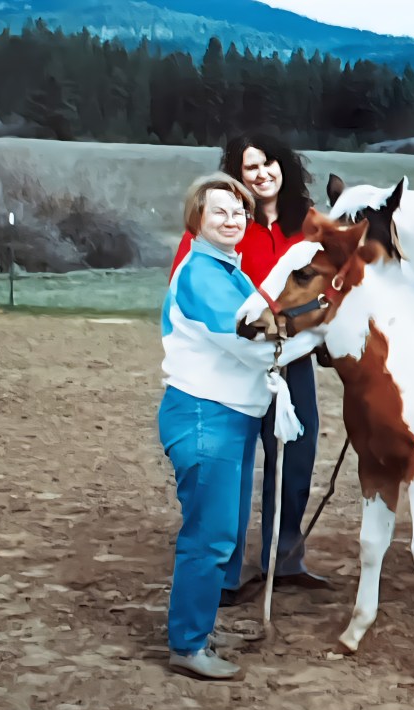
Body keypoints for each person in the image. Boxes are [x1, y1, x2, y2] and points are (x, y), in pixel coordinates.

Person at [169, 133, 329, 601]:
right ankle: (228, 572)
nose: (261, 175)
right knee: (236, 461)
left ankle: (285, 557)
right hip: (239, 359)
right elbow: (190, 282)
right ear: (236, 176)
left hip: (292, 359)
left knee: (296, 458)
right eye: (249, 168)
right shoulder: (227, 223)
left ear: (284, 166)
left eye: (268, 164)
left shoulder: (309, 222)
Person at [159, 173, 280, 680]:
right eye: (220, 212)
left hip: (232, 415)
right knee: (210, 535)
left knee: (221, 532)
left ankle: (200, 626)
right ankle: (187, 644)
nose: (232, 220)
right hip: (207, 415)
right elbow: (248, 337)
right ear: (198, 219)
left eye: (238, 213)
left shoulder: (230, 270)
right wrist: (298, 334)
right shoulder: (204, 274)